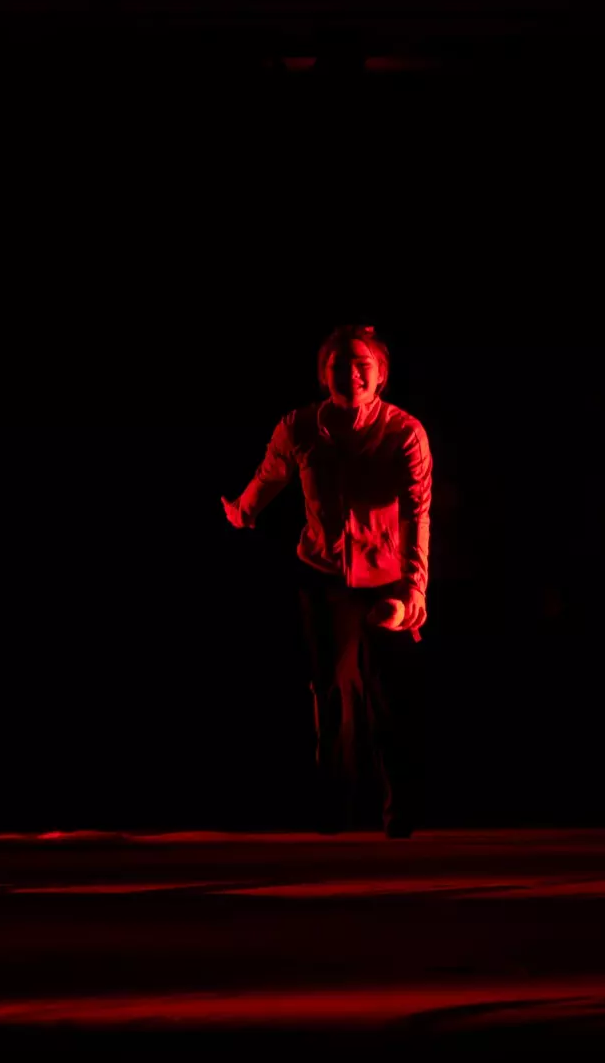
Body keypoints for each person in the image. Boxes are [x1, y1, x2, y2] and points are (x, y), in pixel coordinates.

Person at [222, 325, 432, 837]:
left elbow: (417, 511)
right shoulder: (299, 428)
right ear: (324, 376)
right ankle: (334, 814)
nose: (351, 373)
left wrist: (414, 588)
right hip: (323, 577)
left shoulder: (405, 433)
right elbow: (271, 473)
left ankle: (398, 816)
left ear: (381, 376)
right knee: (332, 696)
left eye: (362, 364)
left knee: (384, 698)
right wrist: (244, 511)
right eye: (339, 364)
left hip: (387, 581)